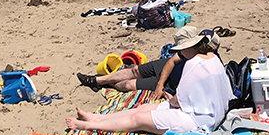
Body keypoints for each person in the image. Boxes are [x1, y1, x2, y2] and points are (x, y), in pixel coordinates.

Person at [66, 30, 231, 135]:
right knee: (144, 108)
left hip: (198, 122)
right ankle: (96, 118)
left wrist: (170, 98)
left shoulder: (192, 64)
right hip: (211, 113)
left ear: (189, 48)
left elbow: (178, 101)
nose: (180, 53)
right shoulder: (213, 58)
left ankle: (86, 126)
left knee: (137, 118)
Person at [76, 26, 210, 93]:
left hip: (171, 83)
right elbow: (171, 61)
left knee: (129, 85)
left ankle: (107, 84)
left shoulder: (203, 61)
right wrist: (159, 84)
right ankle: (97, 80)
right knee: (134, 70)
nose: (180, 51)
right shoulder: (185, 52)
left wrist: (163, 88)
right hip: (163, 70)